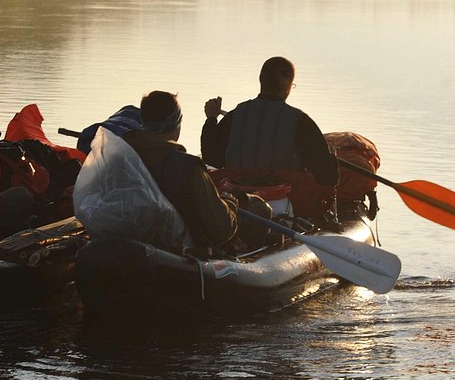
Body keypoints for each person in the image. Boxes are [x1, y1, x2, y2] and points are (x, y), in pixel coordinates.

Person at [121, 91, 242, 252]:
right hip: (181, 250)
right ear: (176, 123)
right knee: (257, 207)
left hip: (131, 241)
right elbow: (222, 229)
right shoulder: (189, 167)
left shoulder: (121, 157)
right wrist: (231, 203)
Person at [201, 56, 339, 188]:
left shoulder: (235, 116)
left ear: (261, 79)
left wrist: (211, 119)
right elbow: (327, 177)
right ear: (289, 86)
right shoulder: (301, 122)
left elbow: (212, 158)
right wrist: (331, 156)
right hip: (285, 200)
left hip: (238, 195)